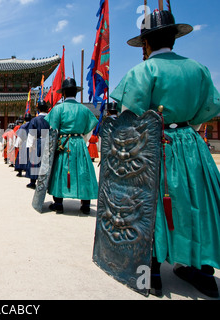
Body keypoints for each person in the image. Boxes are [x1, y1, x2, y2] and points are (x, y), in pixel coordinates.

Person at [111, 9, 220, 298]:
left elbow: (129, 118)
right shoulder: (199, 69)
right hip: (191, 144)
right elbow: (209, 108)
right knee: (196, 203)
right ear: (174, 38)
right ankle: (202, 270)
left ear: (145, 44)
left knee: (150, 205)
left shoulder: (142, 71)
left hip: (155, 145)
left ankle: (153, 272)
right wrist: (186, 127)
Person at [45, 78, 98, 214]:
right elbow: (88, 130)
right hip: (79, 143)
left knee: (60, 170)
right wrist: (81, 140)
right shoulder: (84, 110)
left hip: (64, 144)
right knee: (83, 170)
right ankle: (85, 205)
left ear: (63, 93)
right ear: (76, 92)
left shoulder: (58, 109)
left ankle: (58, 204)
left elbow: (53, 130)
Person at [26, 100, 50, 189]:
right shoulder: (51, 118)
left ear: (38, 109)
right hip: (49, 142)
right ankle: (47, 181)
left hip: (38, 142)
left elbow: (31, 134)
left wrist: (30, 146)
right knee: (47, 162)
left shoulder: (35, 120)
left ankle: (33, 182)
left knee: (35, 162)